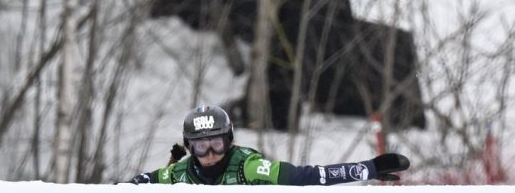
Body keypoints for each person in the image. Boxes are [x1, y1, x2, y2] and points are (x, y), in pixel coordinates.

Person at [126, 104, 410, 185]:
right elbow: (143, 182)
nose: (210, 154)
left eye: (217, 144)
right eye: (201, 147)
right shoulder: (179, 173)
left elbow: (305, 177)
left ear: (229, 142)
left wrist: (368, 168)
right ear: (189, 148)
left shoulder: (246, 167)